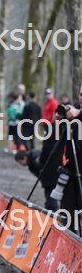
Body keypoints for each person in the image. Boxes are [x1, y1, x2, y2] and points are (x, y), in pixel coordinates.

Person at [54, 85, 82, 231]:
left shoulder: (78, 112)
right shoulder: (74, 112)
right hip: (71, 169)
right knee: (67, 214)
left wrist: (79, 113)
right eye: (81, 94)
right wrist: (61, 121)